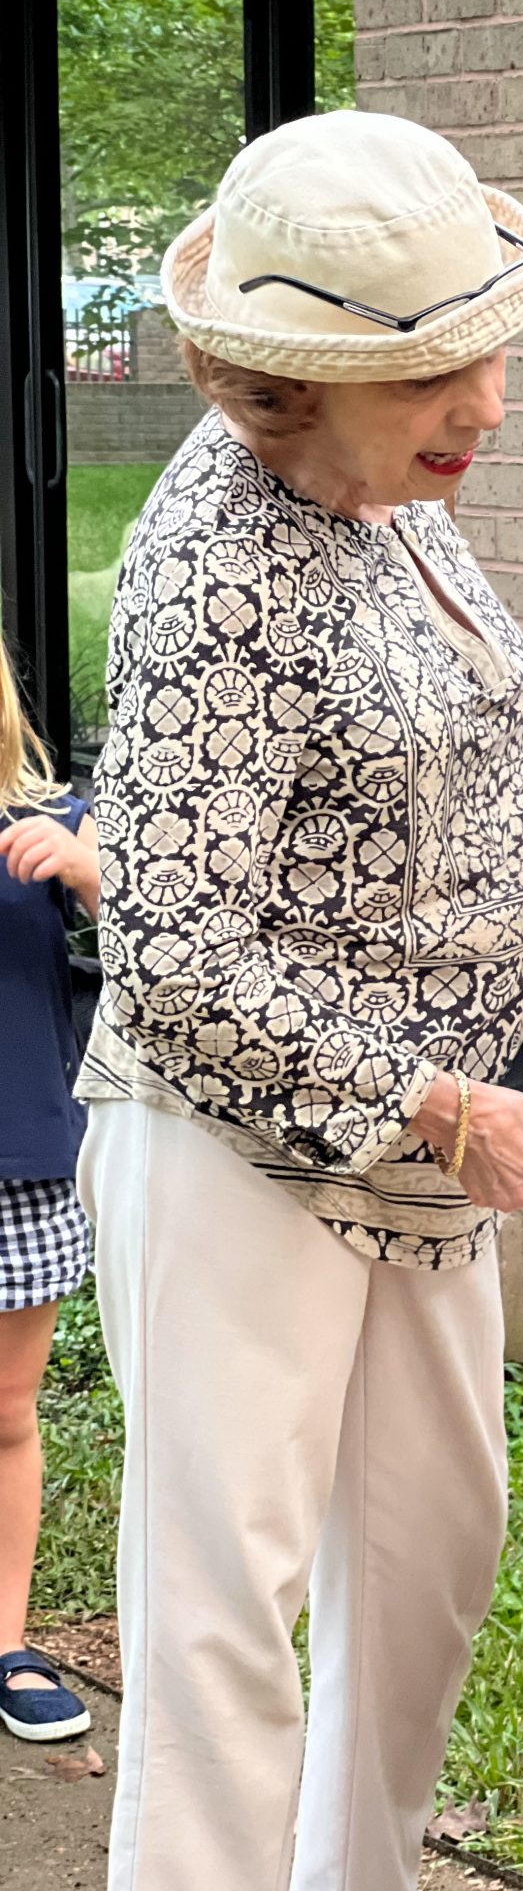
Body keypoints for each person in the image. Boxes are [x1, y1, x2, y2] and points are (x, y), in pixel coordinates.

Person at [75, 108, 523, 1891]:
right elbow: (170, 942)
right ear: (278, 396)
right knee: (228, 1613)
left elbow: (387, 754)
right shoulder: (212, 564)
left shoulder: (395, 507)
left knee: (430, 1571)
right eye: (427, 380)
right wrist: (449, 1104)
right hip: (239, 1147)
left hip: (408, 1148)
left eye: (481, 356)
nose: (478, 406)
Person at [0, 641, 99, 1746]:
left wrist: (88, 871)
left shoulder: (51, 819)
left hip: (20, 1156)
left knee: (7, 1412)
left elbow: (168, 949)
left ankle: (8, 1639)